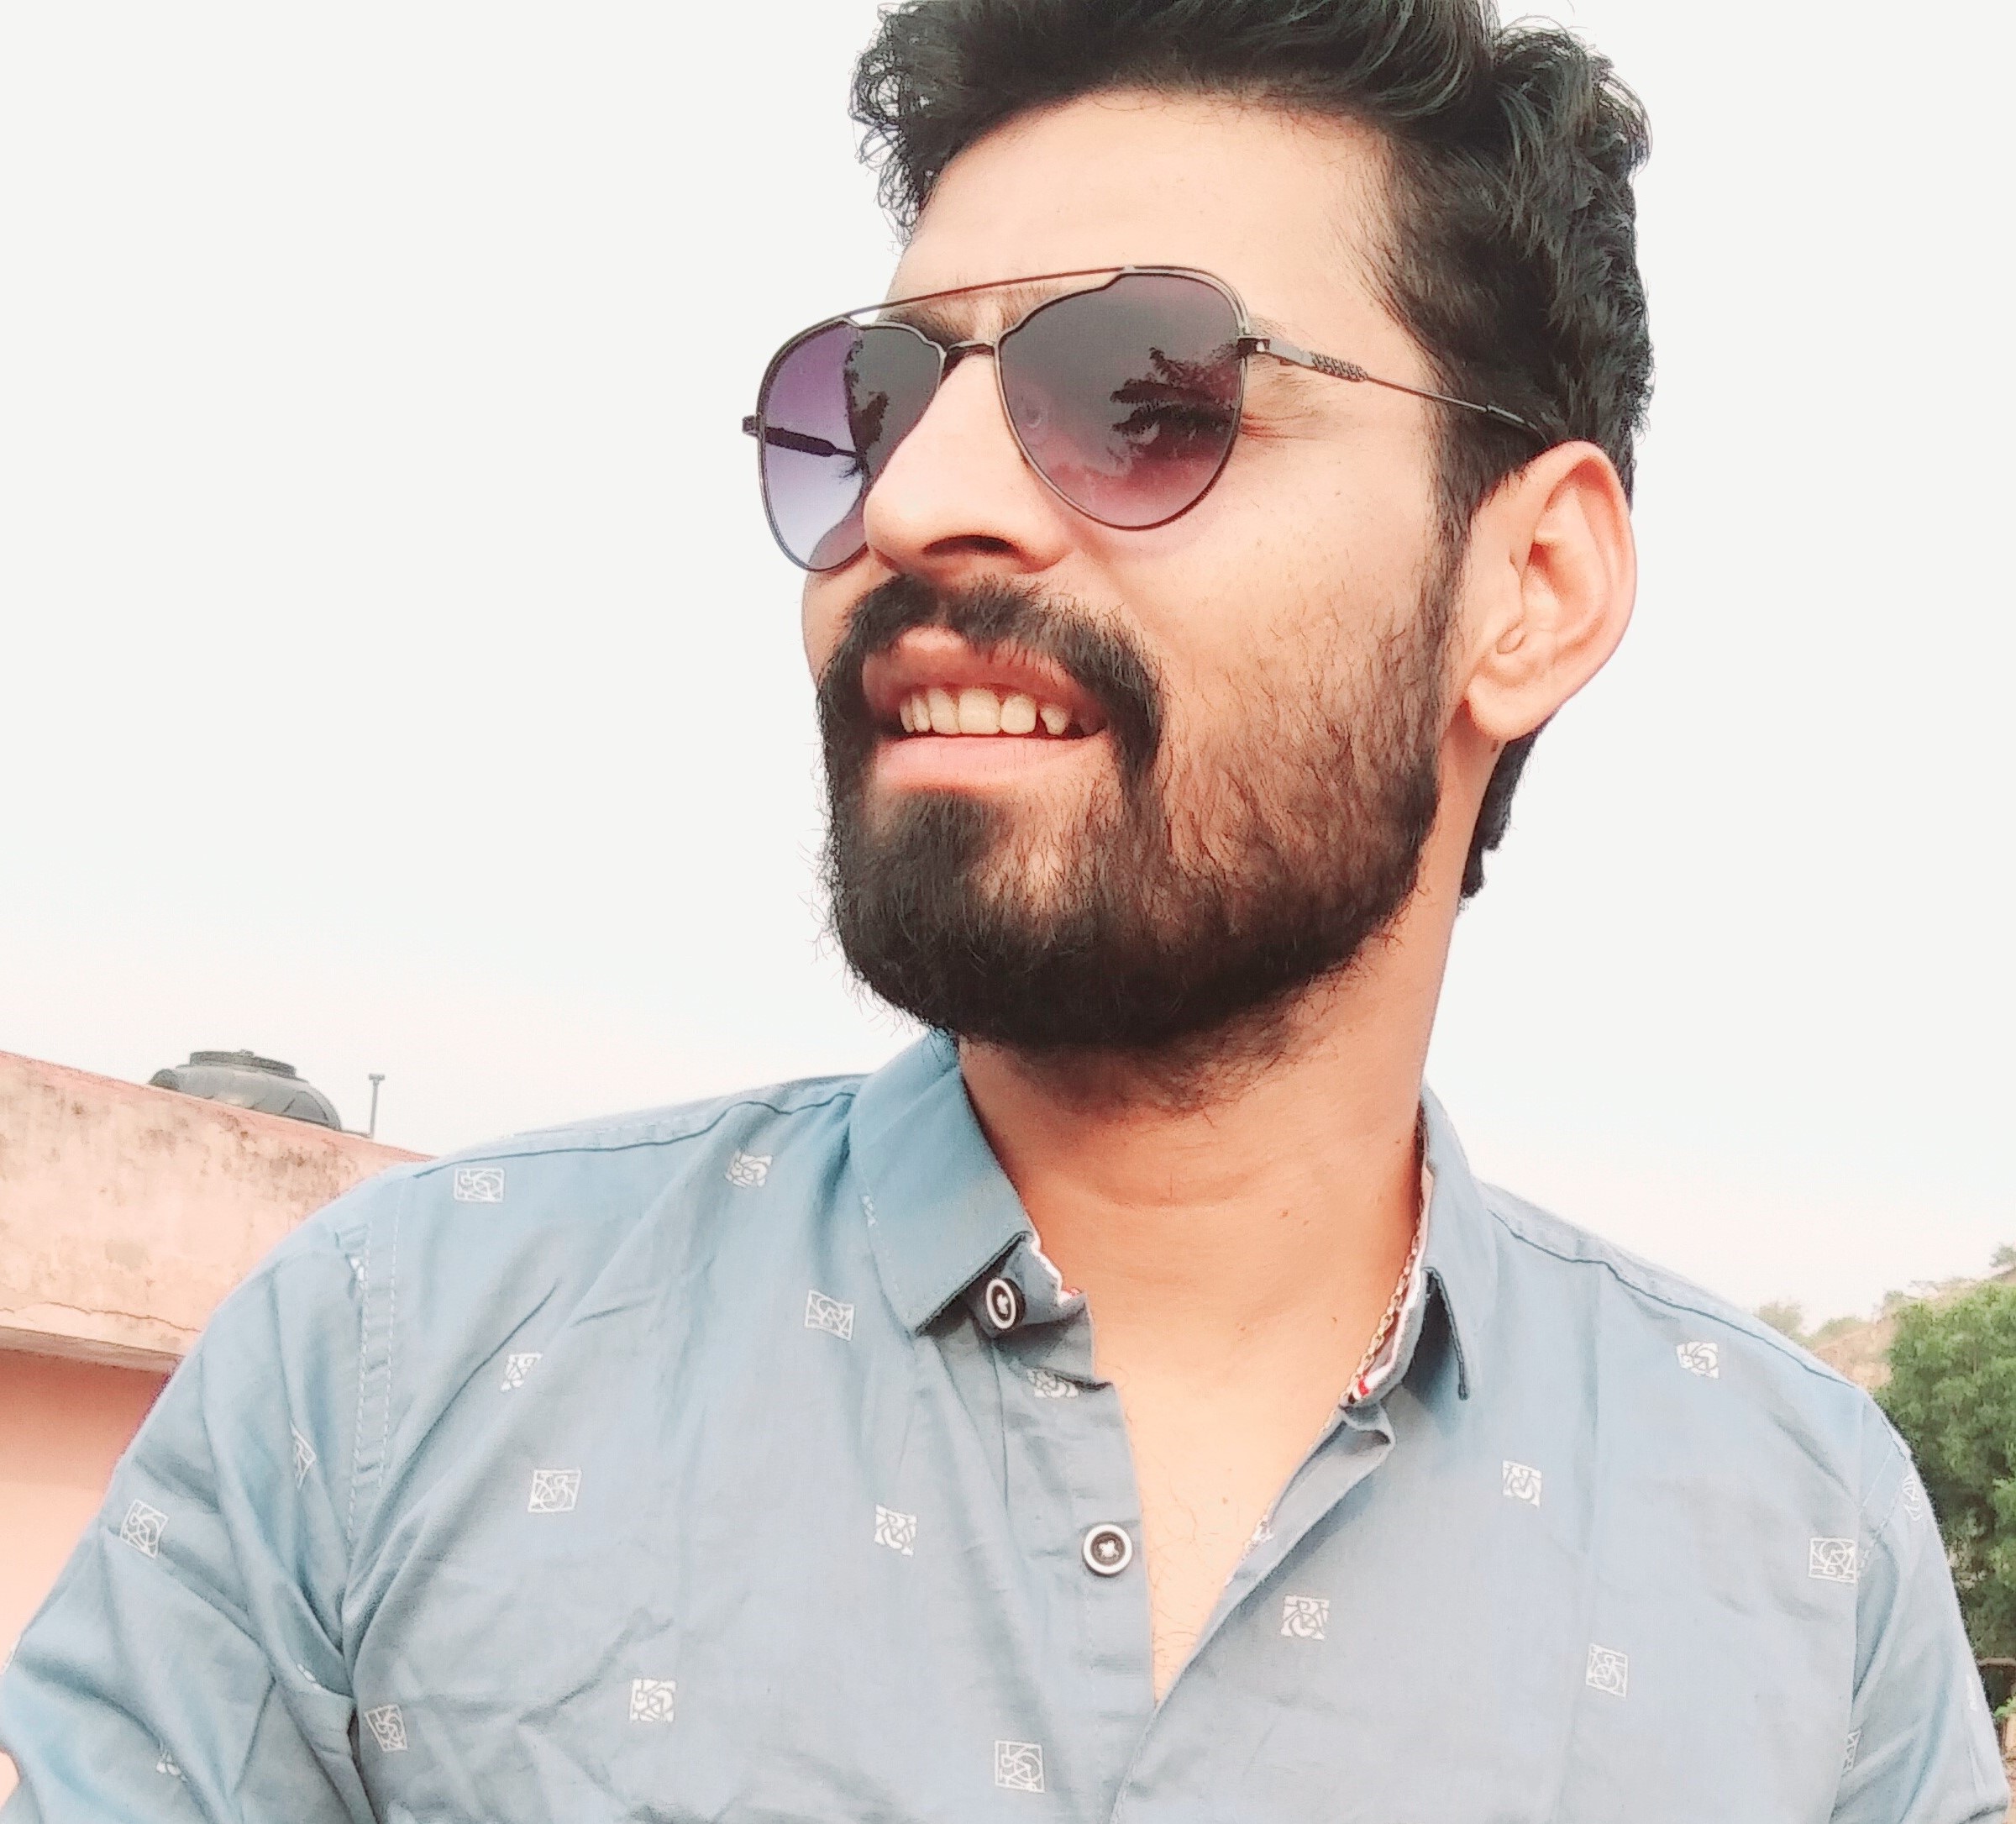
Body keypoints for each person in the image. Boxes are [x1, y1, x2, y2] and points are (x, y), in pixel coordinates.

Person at [3, 0, 2003, 1817]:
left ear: (1531, 587)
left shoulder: (1799, 1556)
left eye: (1143, 392)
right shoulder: (389, 1370)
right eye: (873, 402)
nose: (912, 503)